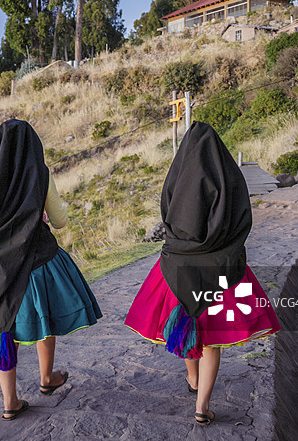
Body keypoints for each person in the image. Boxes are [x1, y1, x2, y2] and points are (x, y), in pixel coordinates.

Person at [0, 119, 102, 420]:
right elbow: (60, 221)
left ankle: (10, 401)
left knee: (5, 329)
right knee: (46, 319)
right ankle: (47, 378)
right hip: (36, 264)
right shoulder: (40, 176)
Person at [124, 121, 280, 425]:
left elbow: (167, 216)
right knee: (212, 341)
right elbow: (241, 220)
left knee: (186, 315)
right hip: (220, 267)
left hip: (177, 265)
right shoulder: (229, 177)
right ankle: (202, 405)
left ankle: (192, 377)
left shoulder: (177, 177)